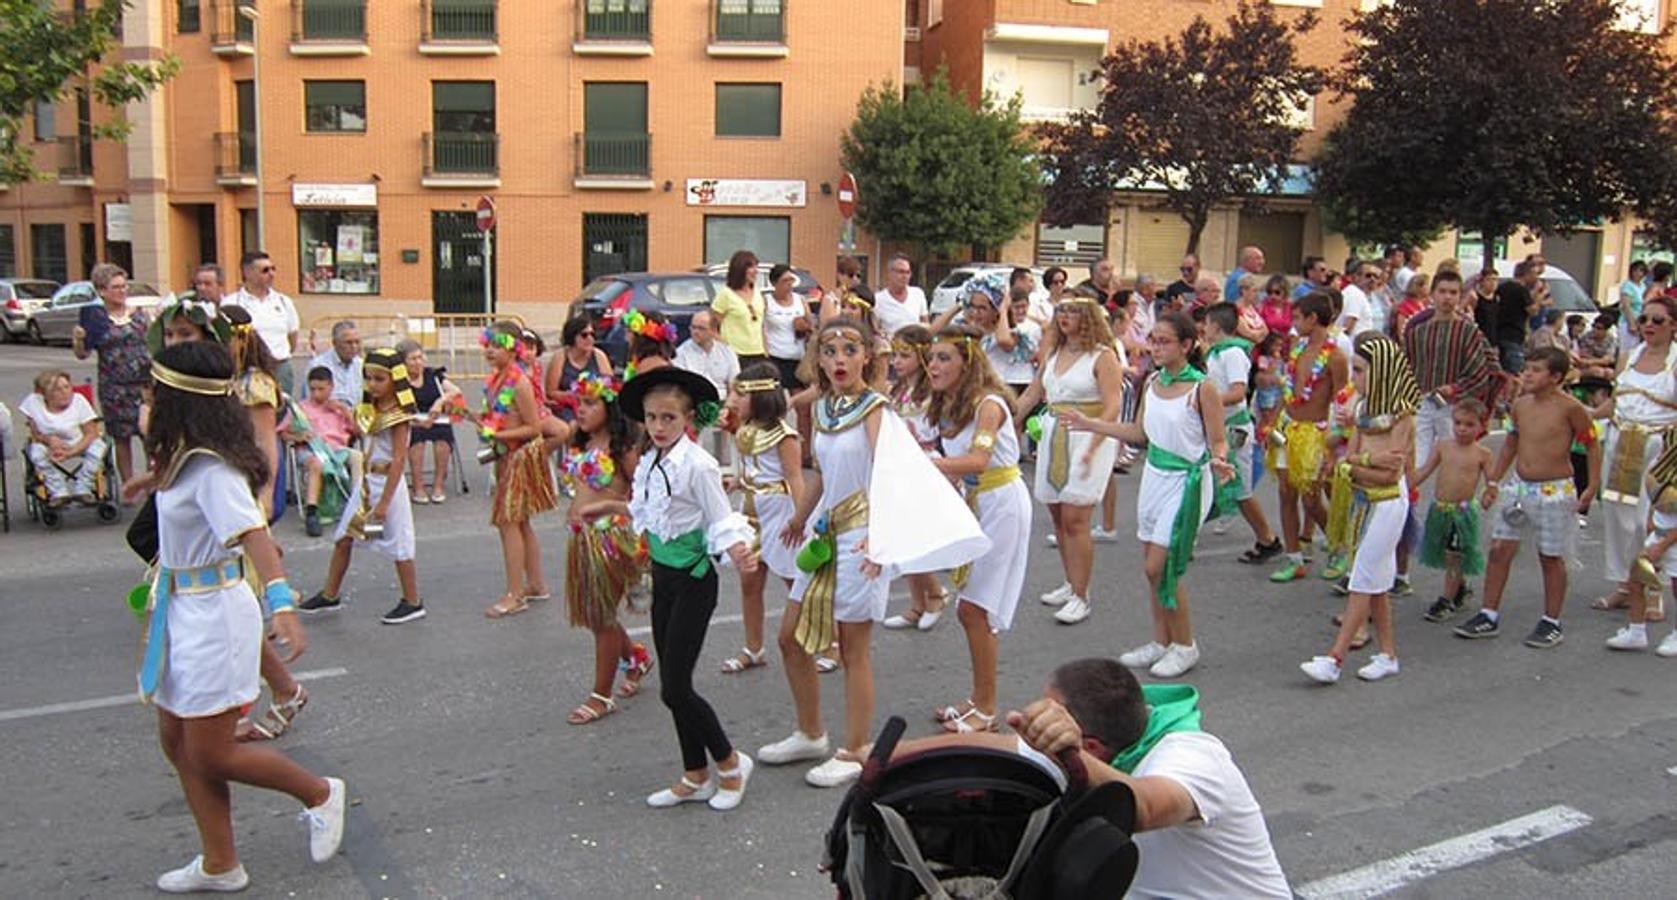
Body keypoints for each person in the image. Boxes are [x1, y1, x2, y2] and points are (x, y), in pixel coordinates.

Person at [138, 341, 344, 893]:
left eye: (156, 390)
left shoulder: (211, 469)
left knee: (212, 750)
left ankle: (320, 793)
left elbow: (255, 535)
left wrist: (282, 606)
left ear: (180, 400)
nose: (147, 398)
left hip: (215, 616)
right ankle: (220, 862)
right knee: (177, 741)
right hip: (181, 610)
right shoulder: (184, 457)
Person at [1007, 659, 1291, 898]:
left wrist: (1069, 752)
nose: (1047, 721)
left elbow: (1141, 806)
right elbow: (1003, 747)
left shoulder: (1195, 759)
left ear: (1091, 748)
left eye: (1054, 717)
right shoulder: (1108, 748)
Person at [617, 367, 759, 811]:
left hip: (695, 580)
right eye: (652, 418)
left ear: (688, 419)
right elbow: (652, 512)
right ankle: (695, 774)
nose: (659, 427)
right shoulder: (652, 458)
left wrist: (737, 550)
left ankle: (731, 763)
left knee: (675, 688)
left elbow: (720, 515)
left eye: (669, 419)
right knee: (673, 681)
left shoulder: (697, 464)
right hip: (664, 578)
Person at [1064, 313, 1235, 680]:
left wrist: (1220, 460)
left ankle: (1185, 645)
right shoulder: (1154, 381)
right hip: (1155, 476)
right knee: (1152, 569)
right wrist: (1092, 424)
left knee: (1160, 567)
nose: (1155, 347)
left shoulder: (1202, 388)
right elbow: (1139, 432)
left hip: (1188, 481)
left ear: (1187, 346)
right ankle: (1161, 641)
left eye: (1164, 341)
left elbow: (1217, 438)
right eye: (1153, 340)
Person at [913, 324, 1032, 732]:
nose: (933, 365)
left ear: (968, 361)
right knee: (971, 608)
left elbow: (979, 461)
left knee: (974, 610)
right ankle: (977, 699)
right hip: (976, 502)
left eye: (944, 357)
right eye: (931, 358)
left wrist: (920, 466)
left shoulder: (989, 404)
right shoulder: (949, 404)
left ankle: (986, 707)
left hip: (1002, 503)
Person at [1456, 348, 1600, 647]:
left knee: (1550, 556)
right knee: (1498, 550)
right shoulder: (1520, 405)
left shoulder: (1571, 408)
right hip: (1520, 487)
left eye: (1536, 370)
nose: (1527, 375)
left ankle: (1551, 621)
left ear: (1556, 377)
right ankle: (1488, 613)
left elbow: (1592, 445)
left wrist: (1592, 486)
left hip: (1555, 490)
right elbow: (1511, 442)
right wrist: (1494, 479)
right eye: (1527, 368)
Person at [1301, 334, 1419, 683]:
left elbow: (1390, 470)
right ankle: (1387, 654)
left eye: (1362, 370)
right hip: (1362, 498)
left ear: (1382, 371)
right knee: (1377, 582)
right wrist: (1361, 461)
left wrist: (1356, 462)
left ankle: (1335, 659)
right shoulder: (1363, 409)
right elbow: (1349, 456)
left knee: (1362, 577)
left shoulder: (1403, 416)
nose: (1355, 378)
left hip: (1386, 503)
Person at [1014, 297, 1124, 625]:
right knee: (1059, 516)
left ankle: (1081, 594)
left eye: (1073, 311)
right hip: (1053, 433)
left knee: (1077, 519)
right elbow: (1034, 393)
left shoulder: (1103, 357)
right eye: (1061, 310)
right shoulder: (1053, 353)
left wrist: (1095, 443)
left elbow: (1113, 404)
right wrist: (1009, 419)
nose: (1064, 316)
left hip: (1087, 436)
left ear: (1088, 317)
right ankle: (1069, 581)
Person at [298, 348, 425, 625]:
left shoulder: (399, 415)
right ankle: (330, 594)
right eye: (369, 378)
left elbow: (399, 459)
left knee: (400, 545)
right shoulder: (372, 408)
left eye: (380, 379)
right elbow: (361, 432)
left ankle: (413, 601)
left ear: (394, 379)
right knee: (344, 538)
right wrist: (343, 411)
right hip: (366, 483)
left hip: (387, 487)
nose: (373, 385)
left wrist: (383, 504)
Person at [557, 371, 655, 724]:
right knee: (595, 615)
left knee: (601, 618)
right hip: (581, 540)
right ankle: (636, 658)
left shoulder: (623, 447)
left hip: (610, 541)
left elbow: (644, 498)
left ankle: (601, 696)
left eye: (589, 403)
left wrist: (612, 511)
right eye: (578, 403)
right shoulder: (580, 442)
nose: (580, 411)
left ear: (609, 406)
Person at [1591, 295, 1677, 621]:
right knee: (1619, 517)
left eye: (1658, 320)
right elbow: (1615, 402)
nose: (1649, 326)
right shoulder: (1627, 357)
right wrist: (1588, 415)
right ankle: (1628, 586)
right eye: (1644, 320)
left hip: (1660, 448)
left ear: (1673, 327)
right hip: (1622, 442)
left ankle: (1654, 588)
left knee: (1652, 520)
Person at [720, 365, 805, 675]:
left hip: (779, 514)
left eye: (739, 395)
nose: (732, 401)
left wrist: (800, 519)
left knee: (794, 582)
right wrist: (738, 482)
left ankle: (828, 643)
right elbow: (752, 469)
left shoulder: (785, 435)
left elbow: (795, 479)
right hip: (751, 513)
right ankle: (753, 648)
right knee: (749, 582)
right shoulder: (745, 429)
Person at [476, 322, 561, 618]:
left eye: (497, 346)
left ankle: (515, 594)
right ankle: (536, 584)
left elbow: (534, 427)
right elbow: (495, 417)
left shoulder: (519, 382)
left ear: (513, 349)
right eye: (488, 345)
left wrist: (498, 436)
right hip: (504, 458)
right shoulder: (495, 380)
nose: (490, 351)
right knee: (520, 523)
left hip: (519, 458)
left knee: (509, 522)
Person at [1268, 294, 1348, 582]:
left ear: (1313, 319)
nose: (1293, 323)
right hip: (1288, 429)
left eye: (1298, 317)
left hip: (1315, 434)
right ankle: (1294, 558)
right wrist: (1271, 423)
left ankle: (1339, 548)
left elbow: (1343, 400)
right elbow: (1287, 390)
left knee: (1312, 500)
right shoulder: (1297, 349)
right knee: (1285, 493)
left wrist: (1337, 440)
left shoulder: (1336, 356)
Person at [882, 324, 950, 632]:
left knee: (916, 537)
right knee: (902, 536)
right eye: (895, 355)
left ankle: (935, 594)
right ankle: (916, 602)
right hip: (900, 464)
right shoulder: (896, 389)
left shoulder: (932, 391)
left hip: (924, 463)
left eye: (905, 355)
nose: (897, 361)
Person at [1201, 305, 1281, 562]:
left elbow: (1237, 393)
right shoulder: (1214, 354)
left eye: (1206, 323)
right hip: (1220, 424)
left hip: (1235, 427)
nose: (1203, 328)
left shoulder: (1233, 353)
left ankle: (1268, 538)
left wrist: (1206, 401)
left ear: (1215, 326)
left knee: (1240, 489)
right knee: (1212, 482)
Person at [1414, 398, 1493, 622]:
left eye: (1469, 424)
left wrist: (1490, 494)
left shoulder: (1482, 454)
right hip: (1439, 510)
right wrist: (1406, 484)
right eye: (1458, 423)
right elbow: (1426, 470)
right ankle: (1461, 587)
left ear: (1481, 426)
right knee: (1448, 555)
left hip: (1462, 513)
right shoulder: (1443, 446)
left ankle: (1445, 600)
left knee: (1454, 556)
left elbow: (1492, 481)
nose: (1462, 429)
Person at [71, 263, 149, 487]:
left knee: (149, 434)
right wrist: (78, 338)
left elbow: (153, 343)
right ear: (102, 291)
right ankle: (129, 484)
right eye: (115, 287)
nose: (122, 291)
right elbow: (82, 353)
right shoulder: (96, 318)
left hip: (143, 385)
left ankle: (153, 484)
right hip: (115, 386)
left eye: (124, 286)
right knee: (121, 437)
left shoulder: (140, 315)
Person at [1609, 439, 1677, 653]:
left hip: (1671, 539)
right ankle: (1636, 632)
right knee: (1636, 578)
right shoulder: (1664, 461)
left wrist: (1663, 545)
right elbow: (1656, 493)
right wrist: (1650, 518)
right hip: (1659, 533)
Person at [288, 366, 362, 538]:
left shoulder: (339, 408)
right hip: (311, 449)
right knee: (317, 464)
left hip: (336, 449)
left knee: (357, 456)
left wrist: (345, 412)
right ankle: (312, 512)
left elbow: (358, 432)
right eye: (312, 389)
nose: (316, 394)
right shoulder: (301, 408)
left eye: (321, 389)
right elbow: (283, 432)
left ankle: (358, 504)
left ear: (331, 387)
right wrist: (299, 436)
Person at [19, 370, 106, 505]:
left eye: (67, 387)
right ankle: (58, 491)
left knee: (98, 449)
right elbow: (36, 434)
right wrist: (50, 440)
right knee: (36, 453)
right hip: (49, 443)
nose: (65, 392)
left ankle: (83, 487)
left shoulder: (79, 401)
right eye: (57, 389)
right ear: (45, 394)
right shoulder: (34, 403)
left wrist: (71, 452)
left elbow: (91, 434)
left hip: (80, 440)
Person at [222, 251, 300, 396]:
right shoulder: (232, 303)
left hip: (280, 368)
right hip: (248, 370)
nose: (271, 274)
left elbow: (292, 338)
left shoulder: (283, 302)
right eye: (265, 270)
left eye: (273, 269)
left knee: (282, 413)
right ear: (247, 273)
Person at [674, 310, 742, 466]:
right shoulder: (682, 353)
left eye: (701, 328)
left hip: (723, 402)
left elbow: (734, 385)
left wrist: (728, 408)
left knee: (739, 415)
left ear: (713, 330)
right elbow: (682, 389)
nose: (695, 332)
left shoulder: (726, 352)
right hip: (695, 404)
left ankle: (729, 464)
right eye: (693, 327)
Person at [398, 340, 461, 506]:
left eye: (420, 357)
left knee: (443, 436)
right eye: (412, 359)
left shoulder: (432, 375)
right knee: (417, 439)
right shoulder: (400, 381)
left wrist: (440, 402)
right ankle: (418, 486)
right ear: (403, 363)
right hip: (413, 420)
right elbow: (400, 407)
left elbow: (455, 391)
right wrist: (418, 420)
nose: (418, 362)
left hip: (436, 417)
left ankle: (438, 484)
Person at [710, 249, 768, 367]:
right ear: (740, 269)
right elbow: (712, 327)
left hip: (758, 353)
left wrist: (766, 350)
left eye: (756, 267)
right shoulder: (726, 295)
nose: (755, 271)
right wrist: (726, 347)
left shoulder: (758, 293)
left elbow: (761, 325)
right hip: (736, 354)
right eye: (751, 267)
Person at [546, 317, 615, 416]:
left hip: (594, 407)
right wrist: (573, 396)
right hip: (567, 407)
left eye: (592, 334)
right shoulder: (560, 357)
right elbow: (551, 392)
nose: (589, 338)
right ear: (572, 336)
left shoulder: (599, 355)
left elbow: (610, 385)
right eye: (584, 335)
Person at [763, 263, 813, 391]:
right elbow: (759, 327)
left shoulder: (800, 300)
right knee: (775, 399)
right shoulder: (766, 301)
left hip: (797, 357)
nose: (789, 284)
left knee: (800, 400)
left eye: (791, 280)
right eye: (785, 281)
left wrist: (804, 326)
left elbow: (811, 326)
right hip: (775, 357)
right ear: (774, 283)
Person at [1492, 261, 1540, 373]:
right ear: (1527, 274)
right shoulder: (1522, 290)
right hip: (1514, 335)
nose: (1536, 278)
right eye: (1534, 274)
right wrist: (1538, 296)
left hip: (1499, 333)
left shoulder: (1502, 287)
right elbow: (1532, 311)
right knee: (1516, 373)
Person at [307, 321, 363, 406]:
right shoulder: (317, 365)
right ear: (335, 343)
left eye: (357, 342)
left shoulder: (361, 365)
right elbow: (311, 401)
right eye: (348, 342)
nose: (354, 347)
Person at [874, 254, 928, 337]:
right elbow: (875, 332)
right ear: (890, 273)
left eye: (908, 272)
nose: (905, 276)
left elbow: (925, 325)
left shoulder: (918, 294)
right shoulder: (878, 300)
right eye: (901, 272)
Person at [1572, 311, 1620, 382]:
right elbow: (1583, 355)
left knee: (1610, 373)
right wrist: (1598, 360)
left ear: (1606, 330)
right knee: (1598, 372)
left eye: (1599, 328)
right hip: (1585, 366)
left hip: (1600, 365)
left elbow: (1607, 359)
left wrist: (1593, 361)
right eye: (1593, 326)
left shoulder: (1611, 340)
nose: (1595, 330)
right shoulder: (1587, 337)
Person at [1338, 260, 1376, 336]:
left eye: (1374, 276)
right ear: (1356, 276)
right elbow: (1347, 327)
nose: (1372, 279)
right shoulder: (1355, 294)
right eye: (1368, 275)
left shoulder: (1354, 292)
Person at [1230, 274, 1270, 345]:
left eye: (1258, 291)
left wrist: (1258, 334)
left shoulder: (1254, 308)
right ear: (1244, 291)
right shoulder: (1234, 309)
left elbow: (1266, 331)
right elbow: (1247, 333)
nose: (1257, 294)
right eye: (1254, 291)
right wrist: (1258, 334)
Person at [1390, 272, 1430, 340]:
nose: (1429, 287)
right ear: (1418, 287)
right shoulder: (1405, 307)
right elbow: (1401, 332)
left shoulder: (1423, 305)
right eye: (1426, 285)